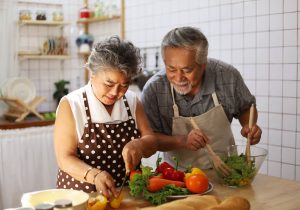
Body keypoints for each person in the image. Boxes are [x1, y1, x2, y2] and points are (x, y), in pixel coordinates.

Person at [141, 26, 262, 170]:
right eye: (171, 69)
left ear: (203, 64)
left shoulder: (227, 76)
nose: (179, 78)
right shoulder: (154, 89)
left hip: (227, 171)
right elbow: (149, 140)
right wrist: (183, 141)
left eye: (187, 70)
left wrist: (249, 126)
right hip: (178, 177)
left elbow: (246, 108)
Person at [54, 36, 158, 198]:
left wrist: (140, 144)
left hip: (126, 196)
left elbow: (151, 140)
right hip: (81, 198)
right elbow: (64, 158)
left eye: (124, 85)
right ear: (92, 74)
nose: (116, 93)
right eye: (109, 84)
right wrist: (94, 175)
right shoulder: (72, 104)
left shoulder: (131, 101)